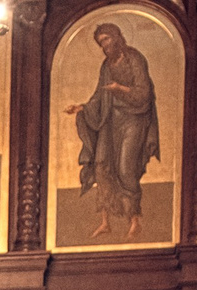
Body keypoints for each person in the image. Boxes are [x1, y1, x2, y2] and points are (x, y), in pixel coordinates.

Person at [69, 23, 160, 241]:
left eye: (107, 40)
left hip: (134, 120)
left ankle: (134, 220)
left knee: (126, 167)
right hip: (110, 120)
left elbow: (144, 93)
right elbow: (99, 96)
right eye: (101, 43)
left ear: (117, 37)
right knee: (101, 165)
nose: (105, 46)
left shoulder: (134, 59)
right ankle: (105, 222)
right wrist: (82, 107)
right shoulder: (106, 66)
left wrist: (120, 89)